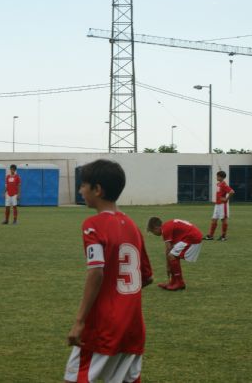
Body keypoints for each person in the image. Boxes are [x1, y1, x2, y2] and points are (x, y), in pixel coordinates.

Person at [64, 159, 153, 383]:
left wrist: (79, 321)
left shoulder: (93, 225)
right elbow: (146, 276)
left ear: (97, 189)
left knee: (76, 377)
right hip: (132, 326)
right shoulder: (132, 226)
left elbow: (96, 272)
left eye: (84, 185)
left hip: (104, 325)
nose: (80, 190)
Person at [147, 217, 203, 291]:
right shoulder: (167, 226)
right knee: (173, 255)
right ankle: (173, 282)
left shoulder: (165, 229)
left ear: (156, 228)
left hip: (193, 237)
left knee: (171, 255)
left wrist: (168, 267)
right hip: (192, 235)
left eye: (152, 231)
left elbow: (168, 249)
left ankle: (180, 283)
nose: (154, 234)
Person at [204, 170, 235, 241]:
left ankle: (223, 236)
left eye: (218, 176)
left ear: (221, 177)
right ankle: (210, 236)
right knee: (214, 219)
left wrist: (226, 199)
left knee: (223, 219)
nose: (216, 177)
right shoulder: (219, 184)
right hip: (217, 205)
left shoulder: (224, 184)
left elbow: (232, 191)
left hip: (222, 205)